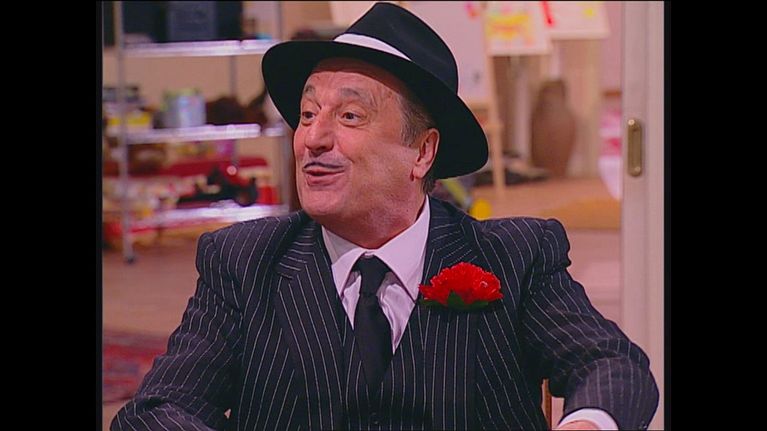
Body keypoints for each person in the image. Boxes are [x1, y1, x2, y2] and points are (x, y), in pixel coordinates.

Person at [111, 3, 658, 430]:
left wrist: (587, 424)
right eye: (307, 113)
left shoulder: (514, 257)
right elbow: (158, 409)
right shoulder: (244, 262)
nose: (313, 138)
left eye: (350, 116)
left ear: (422, 152)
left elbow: (611, 365)